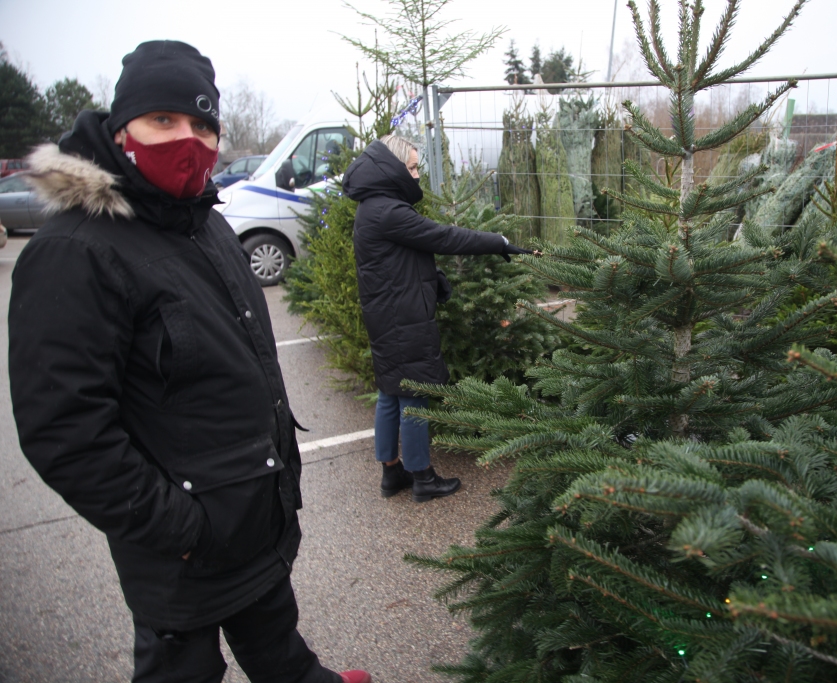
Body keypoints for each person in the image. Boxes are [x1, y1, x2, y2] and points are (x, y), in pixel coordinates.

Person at [9, 40, 369, 683]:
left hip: (252, 521)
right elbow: (66, 432)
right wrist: (183, 527)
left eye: (204, 125)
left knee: (280, 649)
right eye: (166, 120)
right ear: (122, 132)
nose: (190, 139)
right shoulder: (76, 251)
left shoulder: (205, 223)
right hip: (183, 552)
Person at [341, 135, 540, 502]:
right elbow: (444, 238)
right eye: (413, 167)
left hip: (386, 315)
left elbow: (398, 262)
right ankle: (422, 476)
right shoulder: (389, 210)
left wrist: (434, 281)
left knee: (390, 392)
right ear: (392, 168)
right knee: (416, 392)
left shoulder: (372, 206)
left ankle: (391, 472)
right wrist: (497, 242)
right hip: (404, 320)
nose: (417, 175)